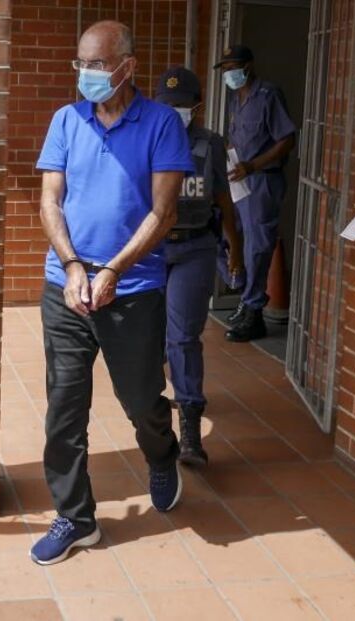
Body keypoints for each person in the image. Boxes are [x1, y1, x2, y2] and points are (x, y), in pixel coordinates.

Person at [31, 21, 194, 565]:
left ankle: (162, 454)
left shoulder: (161, 123)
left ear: (128, 66)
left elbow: (163, 212)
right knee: (64, 407)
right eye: (81, 64)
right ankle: (75, 518)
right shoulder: (66, 120)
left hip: (134, 289)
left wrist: (114, 270)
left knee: (141, 400)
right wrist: (73, 265)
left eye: (97, 64)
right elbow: (50, 201)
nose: (87, 74)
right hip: (67, 287)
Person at [154, 67, 244, 466]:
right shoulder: (147, 140)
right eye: (166, 105)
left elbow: (224, 201)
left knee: (183, 337)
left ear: (197, 107)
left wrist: (235, 250)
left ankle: (190, 424)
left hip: (194, 248)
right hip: (152, 251)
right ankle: (152, 411)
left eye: (181, 105)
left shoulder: (211, 145)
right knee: (149, 336)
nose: (173, 112)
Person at [215, 45, 296, 342]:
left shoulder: (268, 95)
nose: (227, 74)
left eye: (231, 68)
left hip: (262, 180)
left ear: (247, 67)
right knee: (222, 234)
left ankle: (254, 311)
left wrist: (252, 165)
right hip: (237, 180)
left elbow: (286, 140)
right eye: (224, 69)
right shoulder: (236, 98)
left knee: (257, 248)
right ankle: (242, 288)